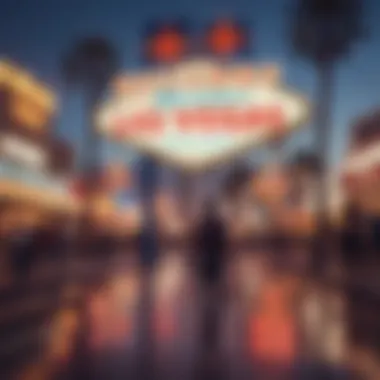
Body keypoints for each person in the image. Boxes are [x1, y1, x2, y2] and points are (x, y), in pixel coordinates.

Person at [194, 200, 228, 372]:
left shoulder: (204, 224)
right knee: (213, 276)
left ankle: (209, 298)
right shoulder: (217, 224)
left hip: (208, 255)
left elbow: (198, 241)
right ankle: (212, 298)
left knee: (208, 276)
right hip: (214, 255)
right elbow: (223, 241)